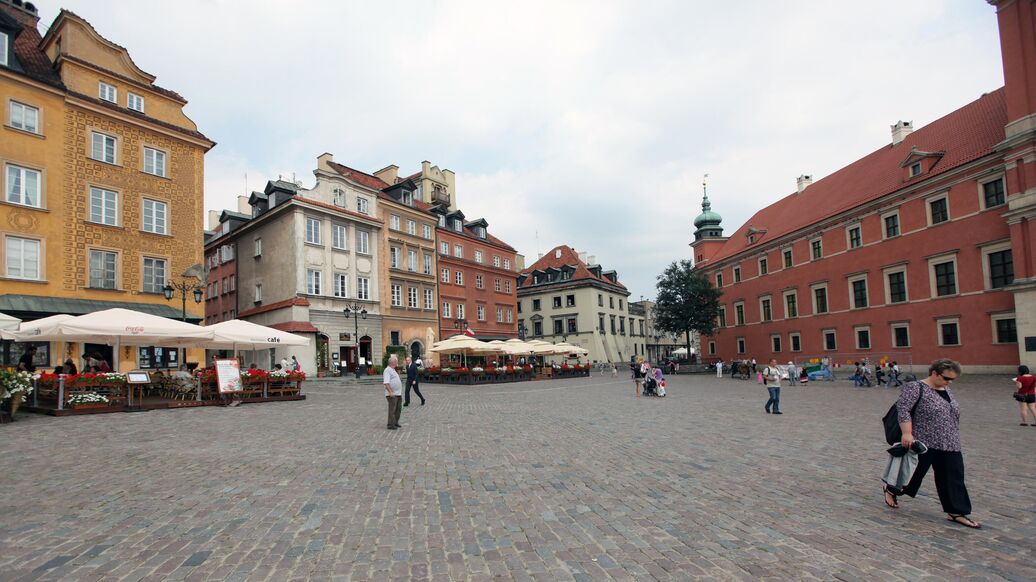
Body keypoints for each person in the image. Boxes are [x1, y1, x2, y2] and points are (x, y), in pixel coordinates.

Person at [885, 359, 980, 529]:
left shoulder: (947, 390)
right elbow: (903, 409)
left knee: (954, 477)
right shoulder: (915, 387)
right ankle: (891, 489)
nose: (949, 382)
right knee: (913, 474)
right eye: (946, 378)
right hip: (924, 441)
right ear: (934, 373)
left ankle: (956, 511)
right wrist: (907, 433)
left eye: (952, 380)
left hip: (950, 442)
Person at [383, 354, 403, 430]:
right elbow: (386, 383)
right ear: (393, 362)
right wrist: (391, 392)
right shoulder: (387, 370)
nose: (397, 363)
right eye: (396, 361)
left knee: (398, 409)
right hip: (392, 394)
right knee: (392, 409)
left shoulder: (393, 370)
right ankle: (390, 424)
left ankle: (395, 422)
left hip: (398, 393)